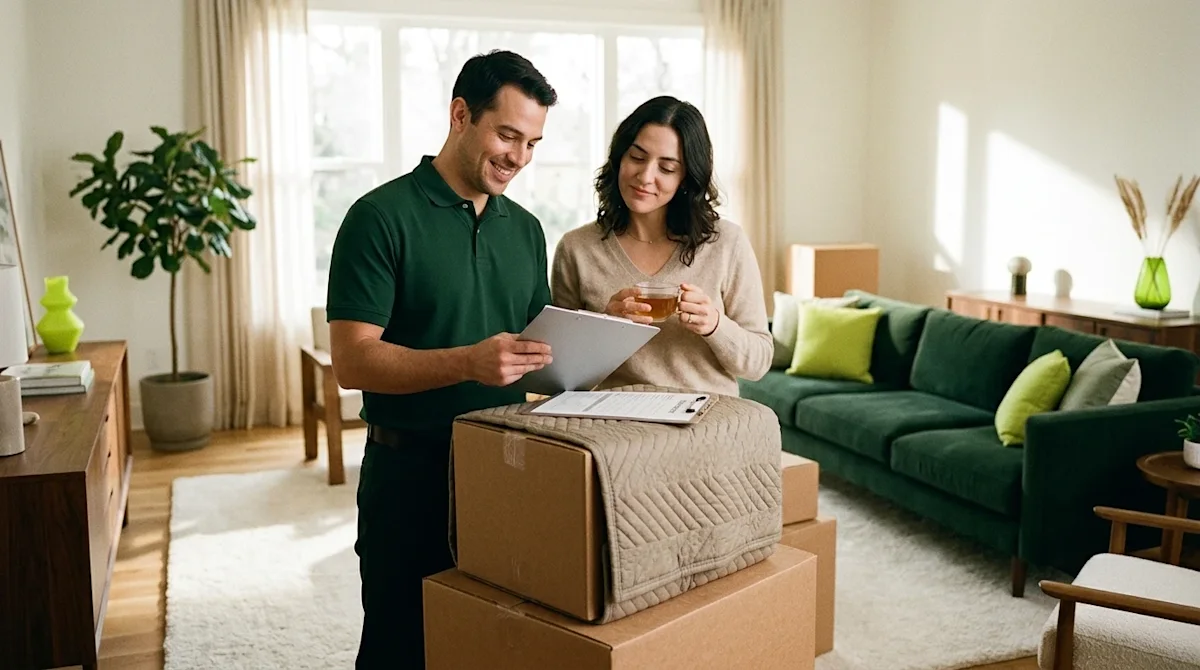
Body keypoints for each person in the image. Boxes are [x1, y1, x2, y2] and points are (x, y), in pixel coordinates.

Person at [324, 50, 557, 669]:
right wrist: (468, 363)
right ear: (460, 115)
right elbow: (352, 362)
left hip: (505, 472)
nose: (519, 157)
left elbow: (533, 352)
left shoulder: (527, 230)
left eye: (532, 142)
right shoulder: (379, 218)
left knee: (490, 645)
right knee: (401, 648)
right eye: (507, 134)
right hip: (407, 477)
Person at [551, 95, 772, 396]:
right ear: (619, 158)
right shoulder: (577, 249)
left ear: (685, 178)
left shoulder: (727, 244)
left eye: (666, 168)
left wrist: (715, 326)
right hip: (615, 422)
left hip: (706, 418)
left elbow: (758, 362)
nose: (645, 176)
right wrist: (606, 326)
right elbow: (560, 374)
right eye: (637, 158)